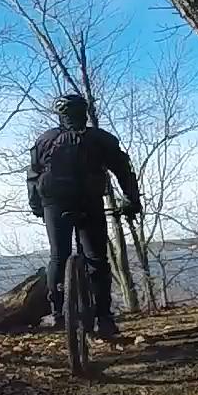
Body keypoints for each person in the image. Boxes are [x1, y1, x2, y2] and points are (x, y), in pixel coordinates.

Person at [26, 93, 143, 339]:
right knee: (96, 260)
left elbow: (33, 175)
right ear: (85, 113)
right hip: (90, 201)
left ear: (60, 116)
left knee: (58, 256)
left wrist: (36, 205)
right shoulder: (100, 139)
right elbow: (123, 169)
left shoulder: (45, 140)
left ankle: (57, 311)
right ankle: (105, 318)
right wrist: (131, 199)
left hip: (54, 204)